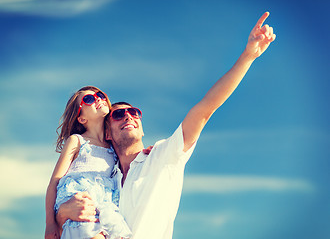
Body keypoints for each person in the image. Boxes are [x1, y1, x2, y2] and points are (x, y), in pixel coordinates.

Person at [56, 12, 276, 239]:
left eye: (134, 113)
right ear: (107, 132)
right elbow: (73, 211)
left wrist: (248, 56)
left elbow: (204, 110)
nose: (129, 117)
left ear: (141, 126)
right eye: (119, 114)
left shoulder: (163, 156)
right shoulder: (106, 179)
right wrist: (61, 213)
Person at [45, 86, 132, 239]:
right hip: (79, 205)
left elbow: (130, 153)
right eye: (89, 99)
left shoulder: (113, 146)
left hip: (106, 209)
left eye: (100, 95)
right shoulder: (77, 141)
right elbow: (54, 182)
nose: (98, 99)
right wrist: (50, 223)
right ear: (82, 119)